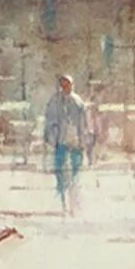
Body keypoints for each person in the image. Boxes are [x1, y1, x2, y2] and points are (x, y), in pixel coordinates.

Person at [43, 74, 87, 213]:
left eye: (68, 84)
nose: (66, 87)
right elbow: (49, 120)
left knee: (75, 173)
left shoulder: (78, 102)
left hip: (75, 142)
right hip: (60, 141)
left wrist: (83, 141)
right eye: (63, 85)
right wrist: (51, 137)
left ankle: (74, 202)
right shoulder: (55, 101)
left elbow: (83, 124)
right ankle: (63, 202)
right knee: (61, 173)